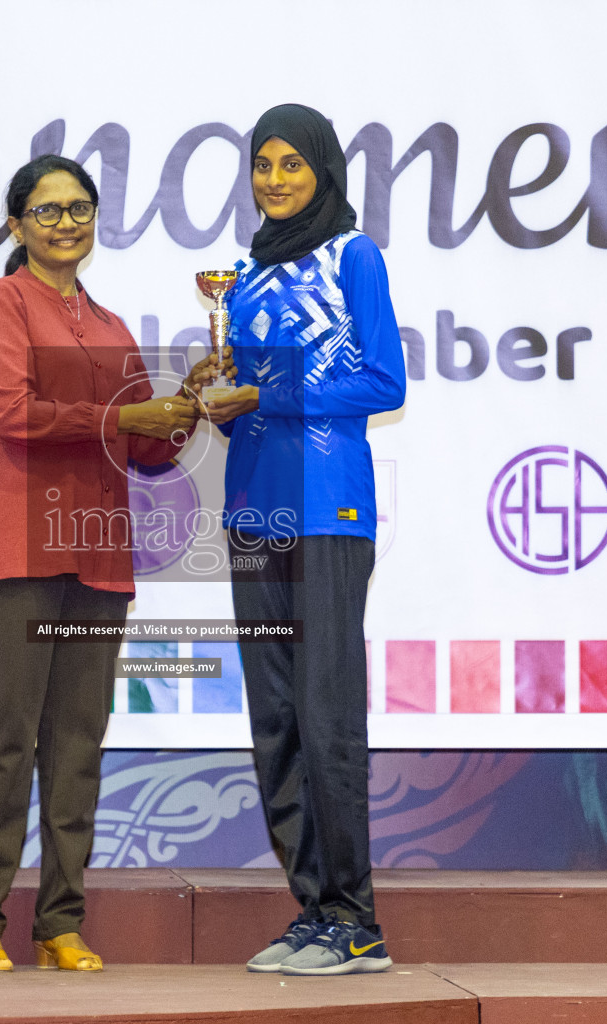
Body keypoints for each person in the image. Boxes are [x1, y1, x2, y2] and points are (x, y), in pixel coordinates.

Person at [0, 154, 212, 972]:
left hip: (97, 556)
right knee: (4, 741)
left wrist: (189, 406)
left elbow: (143, 451)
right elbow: (13, 412)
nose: (68, 222)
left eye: (81, 208)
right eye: (50, 209)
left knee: (77, 745)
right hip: (14, 551)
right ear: (17, 225)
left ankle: (61, 920)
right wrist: (130, 410)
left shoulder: (111, 326)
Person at [206, 103, 406, 975]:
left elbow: (383, 380)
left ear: (324, 170)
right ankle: (314, 910)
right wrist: (210, 387)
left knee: (327, 713)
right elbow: (239, 387)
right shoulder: (245, 274)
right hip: (253, 510)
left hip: (329, 508)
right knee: (275, 717)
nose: (275, 180)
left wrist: (269, 394)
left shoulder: (352, 256)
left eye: (292, 164)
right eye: (262, 165)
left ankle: (358, 921)